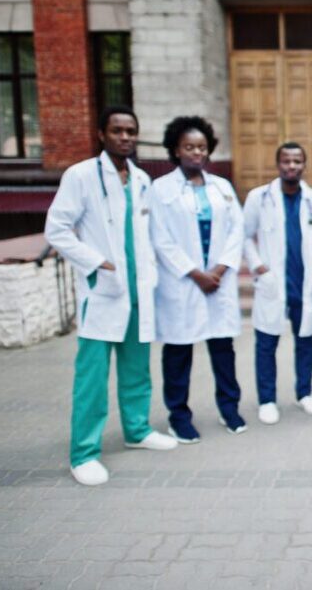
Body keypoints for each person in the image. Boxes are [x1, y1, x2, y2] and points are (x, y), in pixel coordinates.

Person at [45, 106, 178, 486]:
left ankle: (137, 430)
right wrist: (95, 262)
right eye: (117, 131)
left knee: (137, 368)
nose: (125, 137)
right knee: (92, 376)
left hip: (138, 291)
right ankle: (83, 453)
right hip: (103, 292)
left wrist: (150, 276)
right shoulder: (82, 175)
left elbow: (147, 235)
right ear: (102, 135)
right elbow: (57, 230)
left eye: (131, 131)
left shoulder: (140, 179)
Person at [149, 116, 246, 443]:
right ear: (175, 150)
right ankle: (179, 416)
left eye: (202, 148)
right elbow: (160, 239)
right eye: (189, 147)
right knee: (178, 352)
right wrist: (195, 274)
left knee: (223, 349)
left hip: (218, 282)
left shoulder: (222, 187)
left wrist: (218, 271)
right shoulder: (160, 190)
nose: (196, 153)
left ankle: (229, 408)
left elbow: (237, 230)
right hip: (183, 283)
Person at [243, 142, 312, 425]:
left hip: (304, 283)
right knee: (266, 343)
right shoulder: (259, 197)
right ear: (278, 164)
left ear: (304, 165)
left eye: (297, 161)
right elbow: (245, 235)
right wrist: (258, 266)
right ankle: (267, 400)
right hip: (273, 283)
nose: (292, 166)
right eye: (286, 161)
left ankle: (305, 393)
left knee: (305, 340)